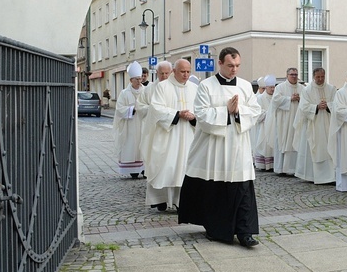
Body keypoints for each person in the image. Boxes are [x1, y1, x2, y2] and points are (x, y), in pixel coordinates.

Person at [178, 47, 262, 247]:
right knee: (215, 190)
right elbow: (201, 114)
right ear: (221, 64)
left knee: (242, 187)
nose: (234, 70)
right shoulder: (206, 86)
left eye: (237, 66)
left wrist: (238, 111)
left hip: (239, 144)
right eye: (230, 66)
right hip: (215, 147)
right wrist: (226, 111)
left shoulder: (244, 86)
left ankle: (245, 232)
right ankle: (217, 230)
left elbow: (256, 111)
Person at [144, 59, 197, 212]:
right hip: (167, 134)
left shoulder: (194, 88)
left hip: (187, 134)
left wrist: (193, 117)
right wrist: (177, 114)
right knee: (165, 165)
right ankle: (160, 200)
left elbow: (200, 109)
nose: (186, 75)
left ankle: (182, 202)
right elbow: (156, 109)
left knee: (184, 167)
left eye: (188, 71)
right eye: (182, 71)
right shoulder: (162, 86)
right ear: (174, 71)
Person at [294, 67, 337, 184]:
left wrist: (328, 106)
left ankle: (330, 176)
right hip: (313, 124)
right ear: (313, 76)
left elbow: (337, 104)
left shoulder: (331, 89)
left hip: (328, 124)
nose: (320, 79)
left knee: (329, 148)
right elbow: (303, 107)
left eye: (322, 77)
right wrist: (316, 107)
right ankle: (312, 176)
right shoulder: (307, 90)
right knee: (314, 148)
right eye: (318, 77)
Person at [112, 61, 146, 178]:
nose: (139, 81)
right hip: (130, 125)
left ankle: (145, 169)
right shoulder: (124, 93)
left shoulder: (146, 91)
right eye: (136, 79)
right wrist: (133, 109)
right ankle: (133, 170)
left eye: (140, 78)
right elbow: (119, 109)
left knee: (144, 144)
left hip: (143, 123)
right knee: (131, 145)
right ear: (131, 80)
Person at [270, 68, 302, 175]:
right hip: (284, 121)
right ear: (287, 75)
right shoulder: (280, 87)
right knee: (283, 141)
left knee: (296, 141)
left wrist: (300, 99)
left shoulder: (302, 88)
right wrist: (289, 99)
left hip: (297, 120)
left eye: (296, 74)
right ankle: (282, 169)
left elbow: (307, 100)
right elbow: (275, 101)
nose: (294, 76)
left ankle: (295, 169)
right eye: (292, 74)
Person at [254, 75, 276, 171]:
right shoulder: (260, 98)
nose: (272, 89)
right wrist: (269, 114)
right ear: (266, 87)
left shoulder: (276, 97)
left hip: (275, 126)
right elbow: (257, 113)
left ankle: (274, 164)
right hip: (264, 127)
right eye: (270, 87)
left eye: (273, 87)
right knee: (265, 144)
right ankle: (265, 165)